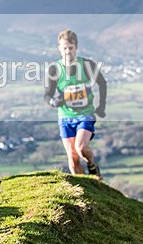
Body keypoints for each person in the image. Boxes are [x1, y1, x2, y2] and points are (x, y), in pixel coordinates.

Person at [44, 29, 107, 178]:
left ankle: (92, 166)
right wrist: (53, 102)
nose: (67, 51)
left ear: (76, 47)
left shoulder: (86, 65)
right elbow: (47, 95)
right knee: (72, 159)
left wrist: (101, 106)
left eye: (70, 48)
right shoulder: (54, 69)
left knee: (81, 148)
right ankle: (84, 187)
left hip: (85, 114)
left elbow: (102, 83)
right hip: (65, 117)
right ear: (59, 48)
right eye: (64, 48)